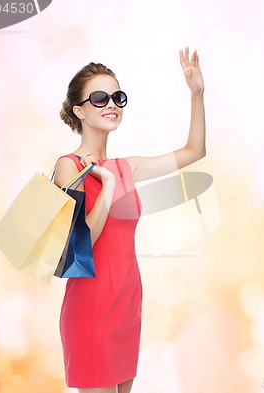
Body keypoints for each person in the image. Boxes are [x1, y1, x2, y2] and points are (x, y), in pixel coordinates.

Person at [54, 47, 206, 393]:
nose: (111, 104)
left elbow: (194, 151)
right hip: (90, 308)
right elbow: (78, 246)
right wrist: (106, 188)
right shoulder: (69, 167)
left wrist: (196, 95)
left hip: (126, 304)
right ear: (79, 110)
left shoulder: (126, 167)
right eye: (99, 98)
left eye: (117, 97)